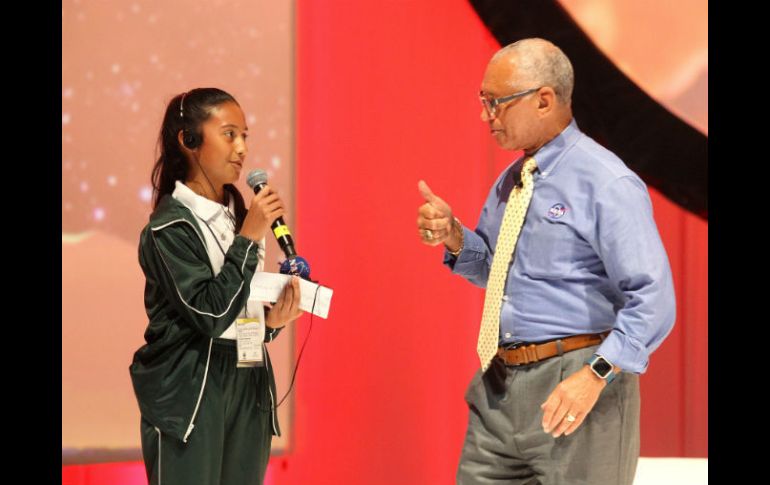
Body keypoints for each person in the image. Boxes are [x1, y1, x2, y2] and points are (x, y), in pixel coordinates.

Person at [416, 39, 675, 484]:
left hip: (578, 384)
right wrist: (457, 237)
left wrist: (595, 375)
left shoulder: (606, 181)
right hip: (500, 389)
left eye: (496, 103)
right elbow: (499, 273)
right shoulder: (511, 182)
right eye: (483, 102)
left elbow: (653, 300)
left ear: (543, 100)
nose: (485, 116)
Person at [130, 87, 303, 485]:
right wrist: (248, 238)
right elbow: (209, 314)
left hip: (246, 377)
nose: (242, 148)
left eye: (245, 136)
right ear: (189, 141)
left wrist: (269, 322)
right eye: (229, 134)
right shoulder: (168, 227)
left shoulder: (237, 214)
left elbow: (238, 314)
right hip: (191, 391)